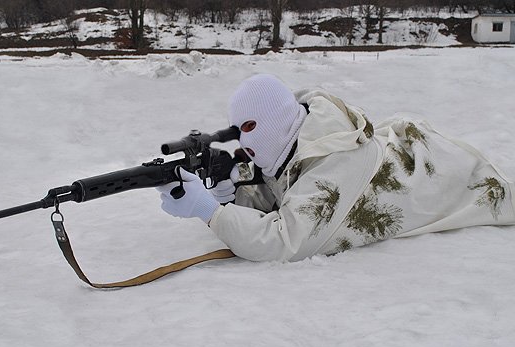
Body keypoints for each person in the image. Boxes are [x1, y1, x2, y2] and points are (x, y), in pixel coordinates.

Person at [157, 74, 515, 261]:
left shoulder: (336, 163)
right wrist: (235, 195)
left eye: (250, 128)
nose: (245, 143)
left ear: (278, 120)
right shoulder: (297, 138)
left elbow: (287, 240)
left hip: (456, 178)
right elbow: (285, 192)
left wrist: (210, 212)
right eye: (239, 131)